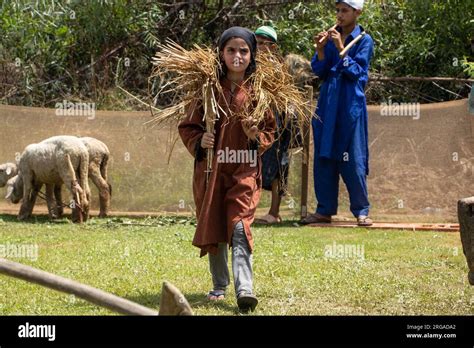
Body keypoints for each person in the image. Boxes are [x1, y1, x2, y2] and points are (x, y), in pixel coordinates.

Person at [178, 27, 276, 312]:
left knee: (238, 225)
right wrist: (200, 140)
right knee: (215, 222)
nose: (237, 56)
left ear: (252, 55)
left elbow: (269, 130)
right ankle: (219, 286)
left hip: (244, 170)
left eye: (244, 51)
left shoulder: (259, 92)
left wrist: (255, 134)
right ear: (221, 54)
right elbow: (187, 126)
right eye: (231, 50)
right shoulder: (207, 89)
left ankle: (245, 288)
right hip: (211, 171)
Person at [301, 0, 374, 226]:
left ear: (357, 12)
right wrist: (321, 49)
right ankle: (324, 210)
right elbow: (320, 71)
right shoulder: (332, 37)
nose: (340, 15)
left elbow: (359, 75)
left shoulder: (364, 40)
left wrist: (341, 47)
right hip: (327, 103)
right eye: (338, 10)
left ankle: (361, 210)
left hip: (349, 104)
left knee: (352, 157)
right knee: (324, 155)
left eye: (345, 10)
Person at [254, 26, 299, 224]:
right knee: (250, 162)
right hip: (255, 121)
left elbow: (287, 96)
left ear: (274, 47)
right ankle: (246, 209)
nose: (262, 47)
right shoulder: (248, 64)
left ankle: (274, 212)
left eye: (267, 44)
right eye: (258, 42)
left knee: (279, 165)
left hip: (278, 122)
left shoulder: (281, 69)